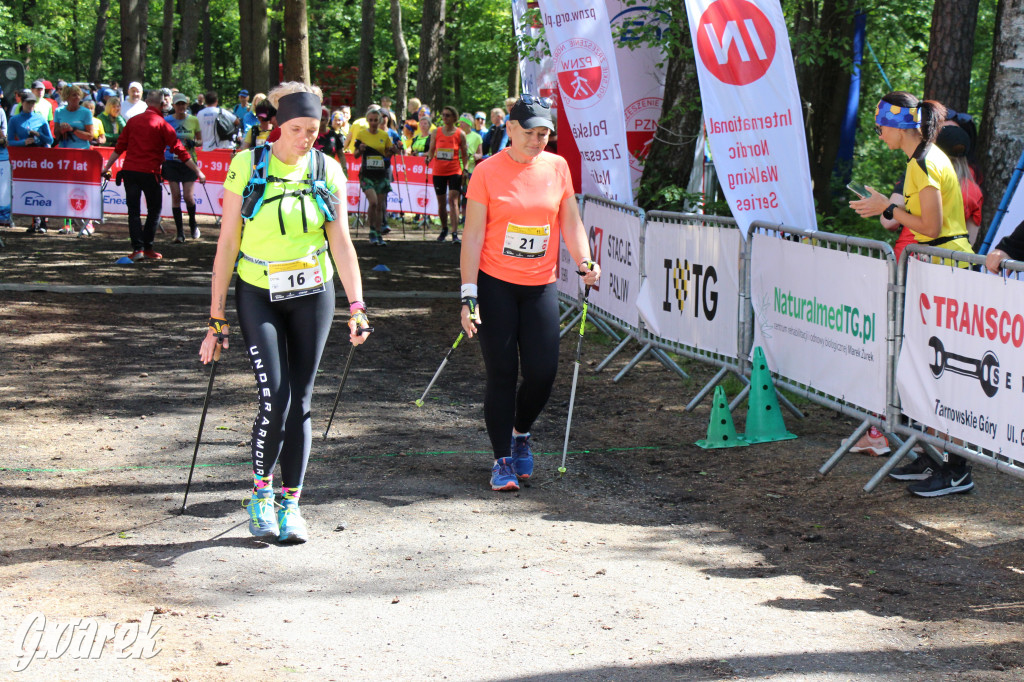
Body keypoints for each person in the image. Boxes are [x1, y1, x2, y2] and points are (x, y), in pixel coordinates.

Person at [199, 81, 370, 544]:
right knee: (274, 394)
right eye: (297, 128)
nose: (306, 137)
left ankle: (290, 503)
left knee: (301, 399)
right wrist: (216, 319)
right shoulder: (246, 164)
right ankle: (260, 493)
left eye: (314, 129)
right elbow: (228, 243)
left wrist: (357, 306)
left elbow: (341, 243)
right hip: (258, 290)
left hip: (313, 293)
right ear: (276, 125)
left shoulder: (328, 169)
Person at [460, 94, 600, 491]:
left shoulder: (557, 167)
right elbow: (471, 238)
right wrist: (468, 295)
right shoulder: (487, 172)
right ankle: (502, 458)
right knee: (502, 373)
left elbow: (570, 221)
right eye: (531, 133)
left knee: (542, 373)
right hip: (494, 284)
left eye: (545, 134)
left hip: (540, 284)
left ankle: (521, 432)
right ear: (510, 129)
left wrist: (584, 261)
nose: (539, 141)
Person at [851, 91, 975, 498]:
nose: (877, 132)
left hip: (945, 265)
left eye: (879, 125)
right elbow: (905, 222)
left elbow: (932, 225)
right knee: (923, 362)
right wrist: (886, 208)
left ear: (898, 125)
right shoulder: (918, 160)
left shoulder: (923, 161)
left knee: (945, 366)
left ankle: (958, 467)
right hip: (938, 266)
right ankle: (932, 456)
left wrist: (888, 206)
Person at [100, 89, 207, 261]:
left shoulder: (133, 121)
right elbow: (181, 151)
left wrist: (106, 167)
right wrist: (198, 171)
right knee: (154, 210)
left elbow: (119, 147)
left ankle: (138, 249)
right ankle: (148, 247)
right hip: (150, 173)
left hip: (130, 172)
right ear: (162, 104)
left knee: (133, 212)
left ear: (147, 102)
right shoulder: (163, 124)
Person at [8, 91, 54, 233]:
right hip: (24, 159)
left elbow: (50, 140)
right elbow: (9, 142)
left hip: (40, 157)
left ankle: (43, 222)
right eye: (28, 103)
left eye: (32, 103)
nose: (30, 106)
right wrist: (23, 142)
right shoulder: (14, 120)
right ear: (22, 103)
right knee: (29, 187)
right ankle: (35, 221)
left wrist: (38, 135)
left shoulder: (40, 119)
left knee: (43, 188)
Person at [352, 107, 399, 246]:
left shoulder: (384, 136)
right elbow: (355, 155)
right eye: (371, 120)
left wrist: (393, 151)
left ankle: (378, 234)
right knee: (373, 202)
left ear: (380, 121)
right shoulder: (361, 135)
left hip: (381, 174)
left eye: (375, 120)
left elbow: (387, 155)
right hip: (367, 174)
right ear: (367, 120)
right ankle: (372, 230)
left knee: (379, 205)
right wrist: (360, 150)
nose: (373, 123)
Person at [54, 85, 96, 235]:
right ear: (66, 97)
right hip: (64, 154)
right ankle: (67, 223)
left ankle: (88, 222)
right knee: (65, 188)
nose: (76, 98)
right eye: (73, 95)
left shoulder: (85, 112)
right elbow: (56, 135)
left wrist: (73, 130)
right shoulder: (59, 111)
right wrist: (61, 130)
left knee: (83, 188)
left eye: (78, 95)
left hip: (82, 154)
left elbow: (91, 136)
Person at [425, 105, 469, 243]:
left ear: (454, 118)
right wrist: (428, 158)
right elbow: (432, 149)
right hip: (439, 171)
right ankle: (444, 228)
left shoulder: (460, 134)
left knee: (453, 199)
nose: (445, 118)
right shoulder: (436, 132)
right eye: (443, 115)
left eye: (448, 115)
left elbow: (465, 155)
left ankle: (454, 232)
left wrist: (465, 170)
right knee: (441, 202)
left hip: (454, 170)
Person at [164, 92, 202, 243]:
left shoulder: (193, 120)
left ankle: (193, 223)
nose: (181, 107)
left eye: (183, 104)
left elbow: (200, 141)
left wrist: (194, 143)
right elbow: (162, 140)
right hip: (171, 161)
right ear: (173, 106)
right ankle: (179, 232)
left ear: (186, 105)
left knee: (188, 196)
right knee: (175, 196)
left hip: (189, 161)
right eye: (178, 104)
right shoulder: (166, 121)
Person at [458, 113, 484, 216]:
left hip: (469, 169)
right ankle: (456, 214)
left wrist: (476, 156)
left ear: (469, 124)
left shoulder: (476, 137)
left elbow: (480, 153)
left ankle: (465, 216)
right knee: (455, 194)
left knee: (466, 194)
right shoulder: (457, 134)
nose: (461, 124)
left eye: (463, 122)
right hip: (456, 168)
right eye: (460, 122)